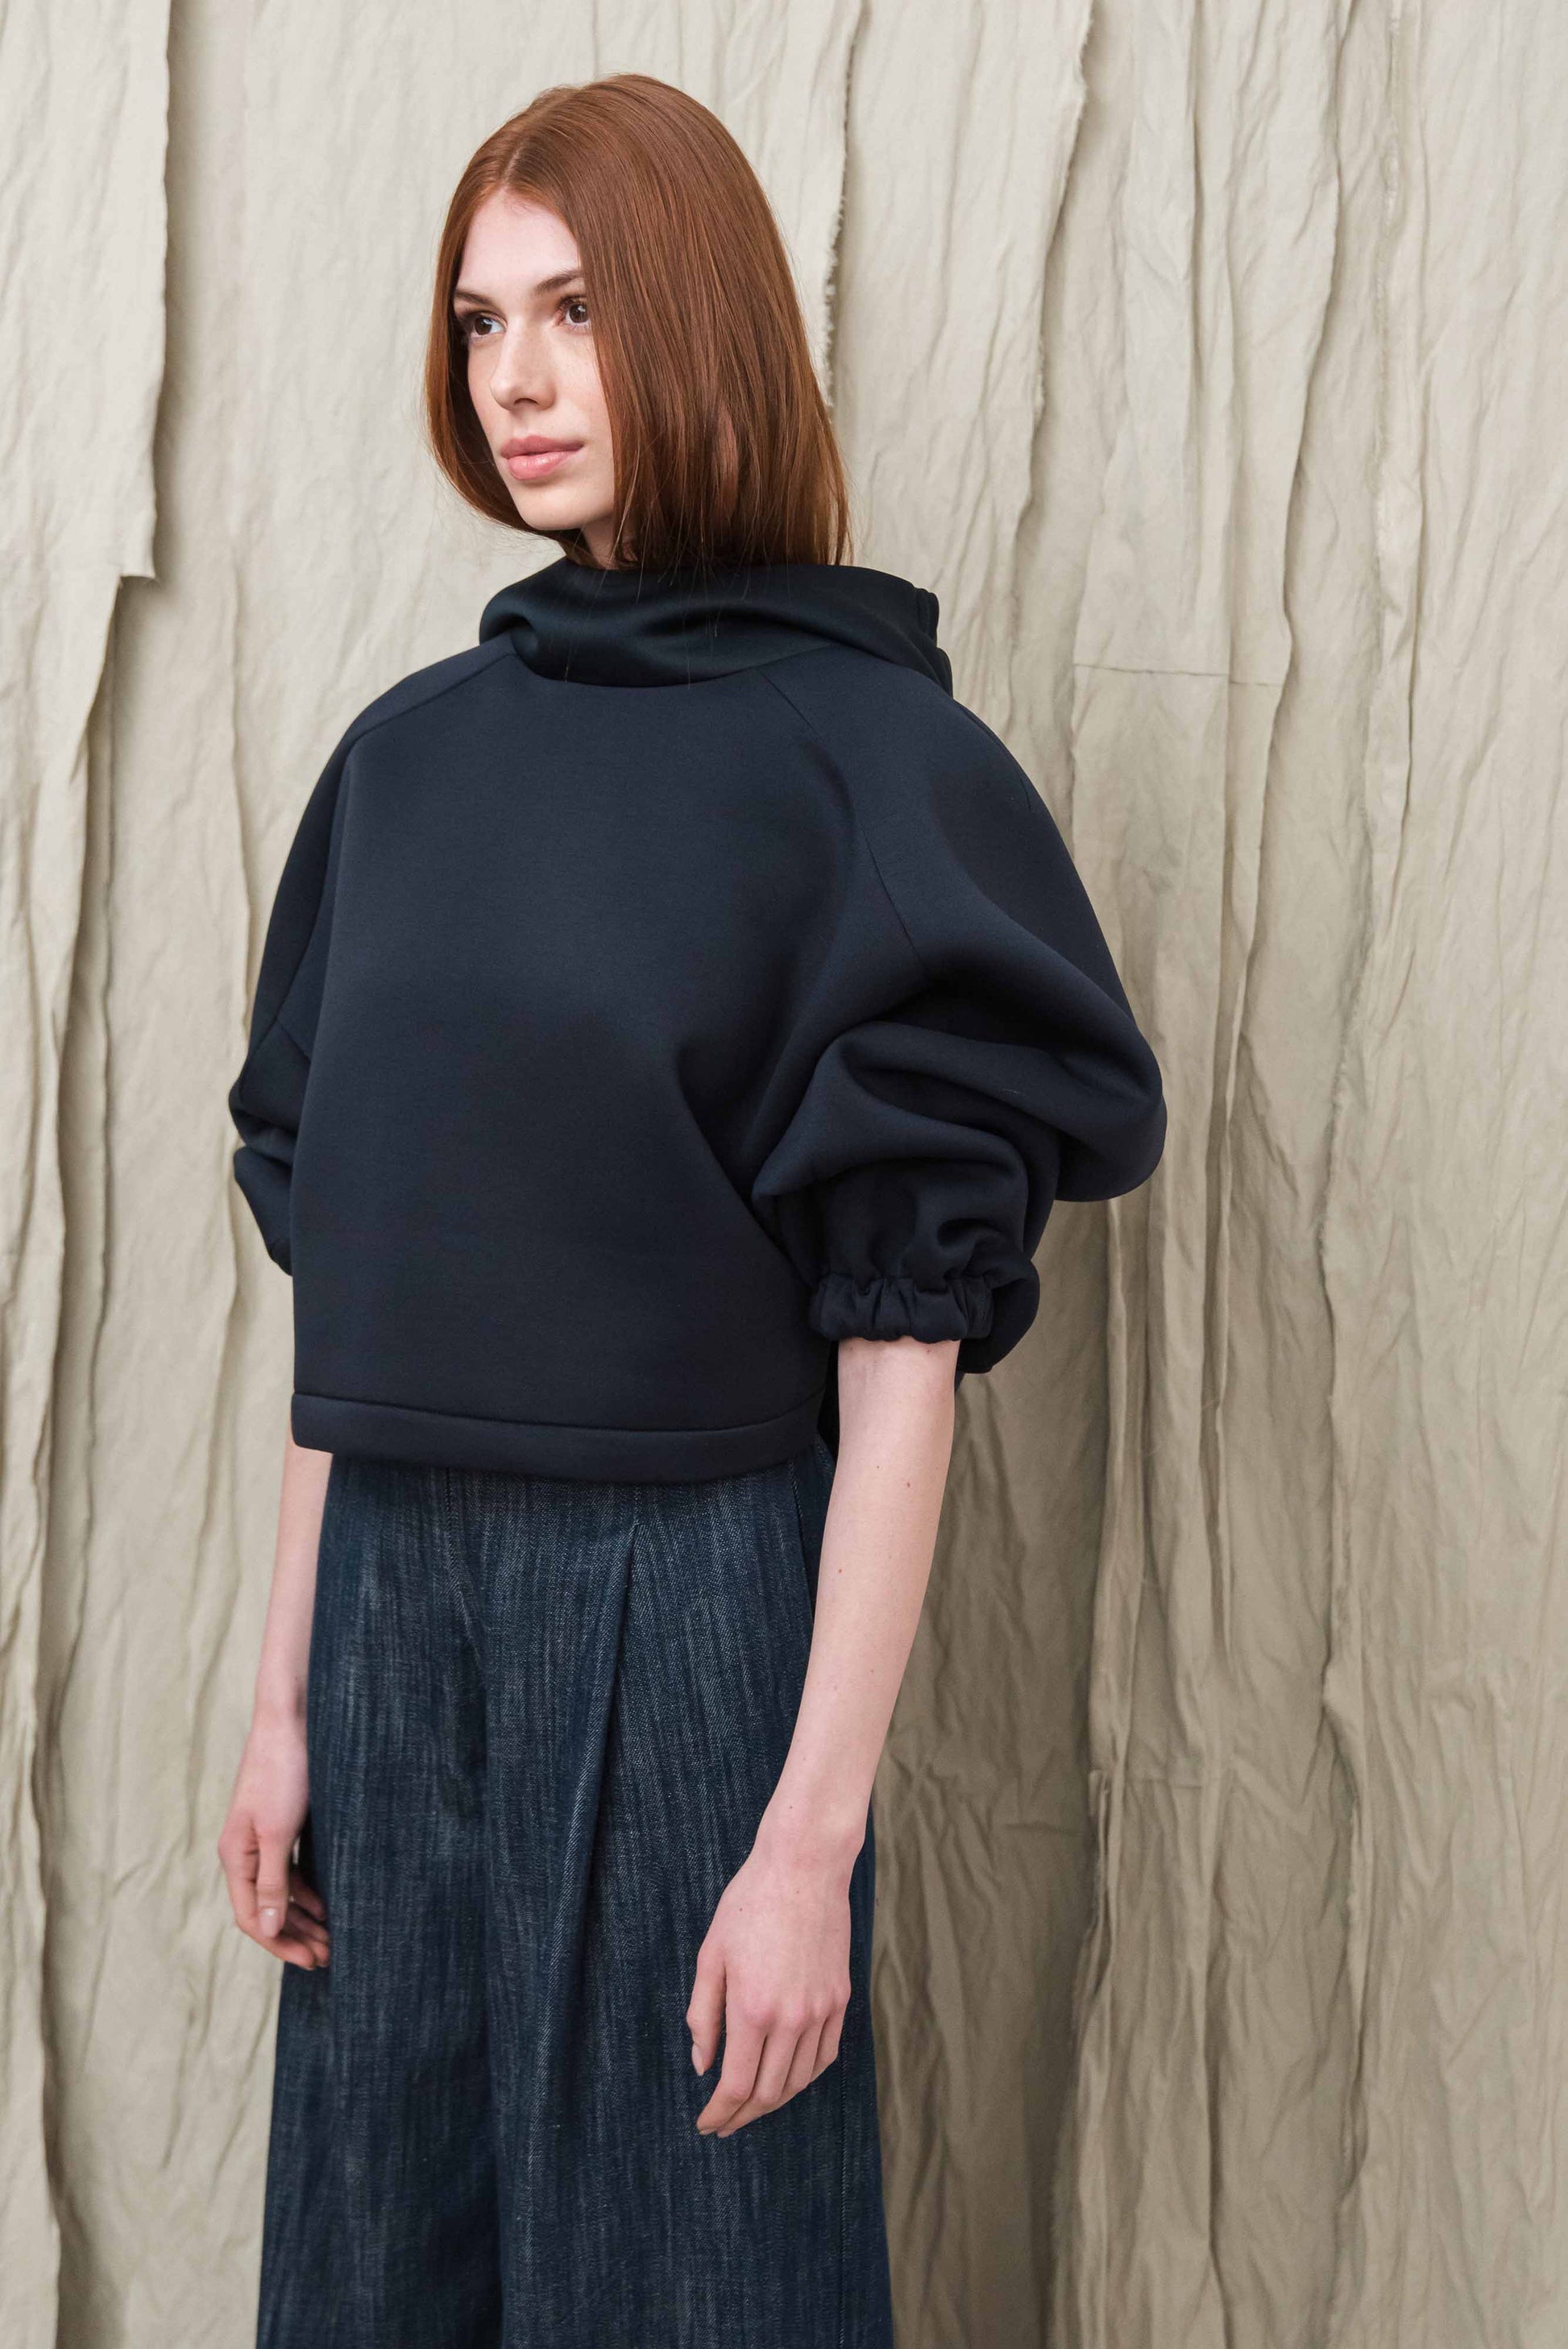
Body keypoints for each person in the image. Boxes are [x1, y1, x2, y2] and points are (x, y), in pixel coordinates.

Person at [218, 70, 1164, 2349]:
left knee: (693, 2286)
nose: (517, 379)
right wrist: (281, 1704)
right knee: (380, 2276)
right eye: (479, 323)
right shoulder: (403, 764)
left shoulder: (872, 770)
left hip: (692, 1614)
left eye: (576, 311)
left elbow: (903, 1364)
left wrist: (807, 1841)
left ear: (701, 321)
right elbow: (355, 1292)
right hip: (392, 1620)